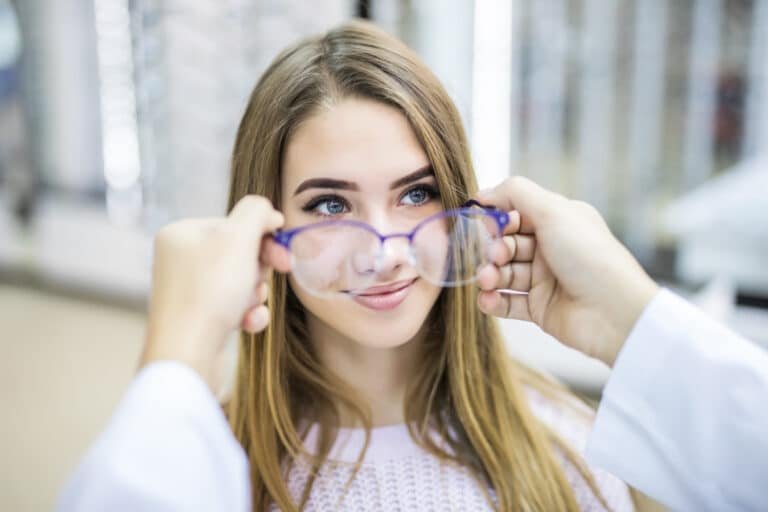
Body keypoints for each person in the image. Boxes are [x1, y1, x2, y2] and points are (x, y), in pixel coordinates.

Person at [57, 19, 768, 512]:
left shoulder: (572, 452)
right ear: (265, 228)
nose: (387, 249)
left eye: (418, 194)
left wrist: (629, 315)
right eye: (331, 206)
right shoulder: (203, 474)